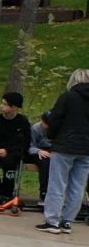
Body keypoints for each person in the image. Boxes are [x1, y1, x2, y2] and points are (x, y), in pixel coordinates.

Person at [36, 68, 89, 233]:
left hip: (65, 145)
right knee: (78, 186)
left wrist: (51, 137)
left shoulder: (68, 97)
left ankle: (52, 220)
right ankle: (67, 221)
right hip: (86, 148)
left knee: (57, 184)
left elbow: (55, 119)